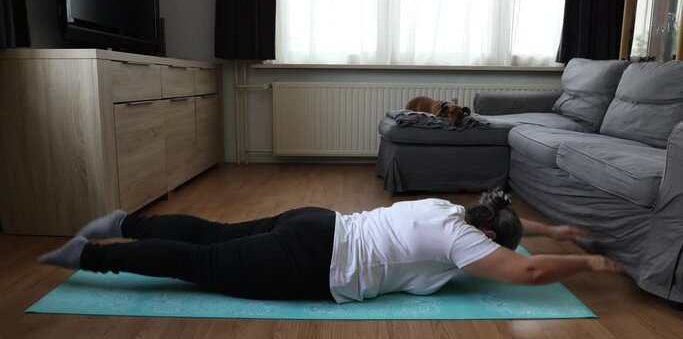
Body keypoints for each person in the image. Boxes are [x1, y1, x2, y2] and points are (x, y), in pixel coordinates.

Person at [38, 189, 622, 303]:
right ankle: (89, 256)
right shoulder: (460, 239)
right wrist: (588, 259)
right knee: (200, 264)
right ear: (487, 236)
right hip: (314, 264)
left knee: (213, 234)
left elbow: (515, 234)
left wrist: (552, 229)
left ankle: (126, 222)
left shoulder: (450, 207)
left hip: (318, 221)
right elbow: (528, 273)